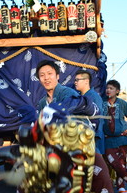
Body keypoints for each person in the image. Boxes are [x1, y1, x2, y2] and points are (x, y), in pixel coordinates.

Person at [36, 60, 114, 193]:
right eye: (42, 75)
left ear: (58, 76)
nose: (46, 78)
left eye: (50, 73)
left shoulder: (67, 93)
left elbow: (74, 106)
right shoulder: (42, 103)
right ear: (38, 79)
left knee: (101, 180)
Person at [102, 79, 127, 193]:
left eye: (111, 88)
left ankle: (121, 188)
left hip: (122, 138)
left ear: (117, 91)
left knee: (122, 164)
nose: (108, 90)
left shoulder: (122, 103)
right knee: (113, 162)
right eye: (107, 88)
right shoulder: (101, 102)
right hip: (108, 140)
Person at [74, 69, 105, 154]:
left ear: (86, 81)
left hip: (93, 139)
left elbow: (98, 119)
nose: (75, 82)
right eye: (75, 80)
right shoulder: (81, 97)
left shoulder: (93, 97)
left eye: (77, 80)